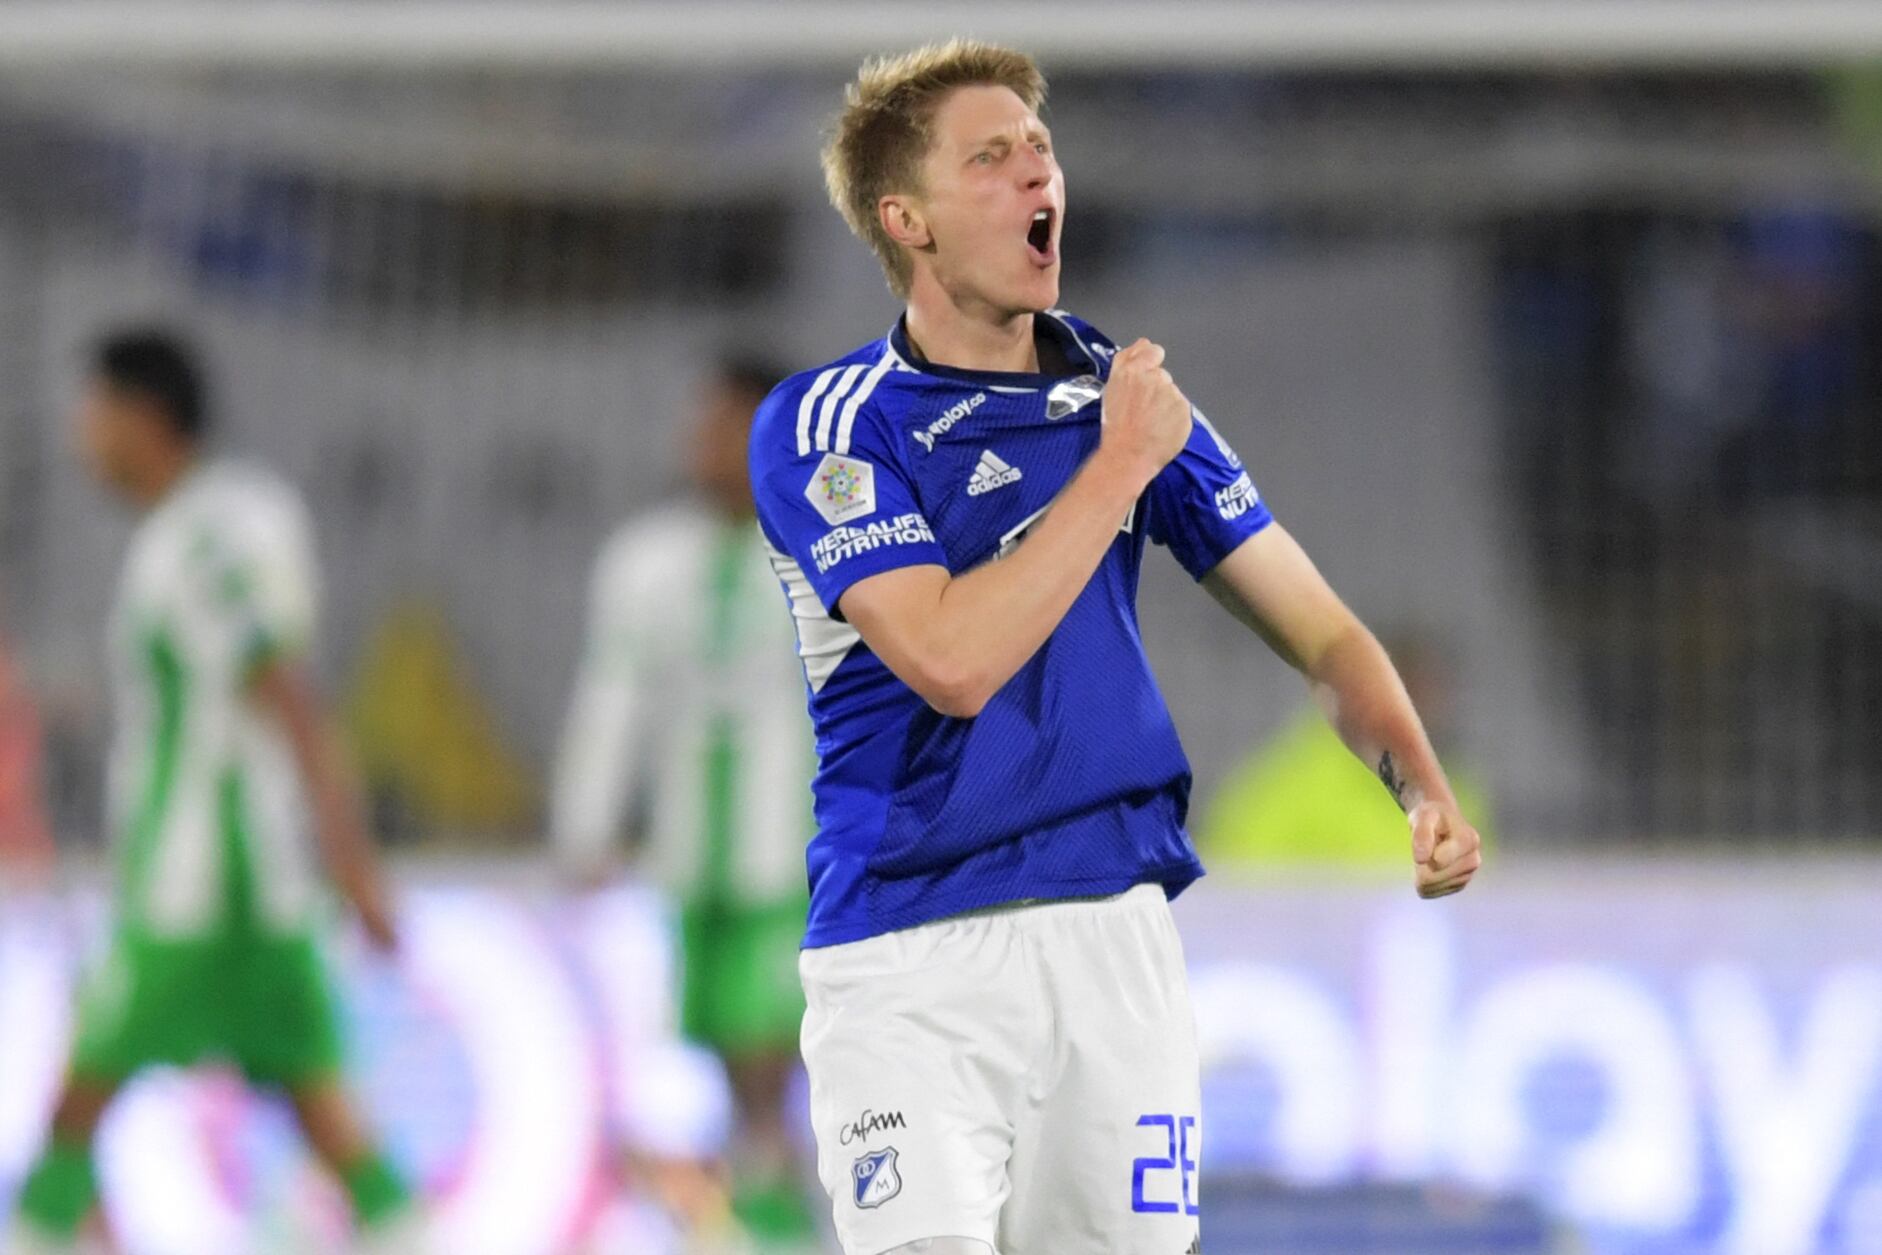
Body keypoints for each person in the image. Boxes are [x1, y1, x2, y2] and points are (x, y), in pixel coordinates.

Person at [746, 41, 1483, 1255]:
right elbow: (947, 658)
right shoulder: (832, 425)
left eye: (1041, 148)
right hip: (910, 952)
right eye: (991, 157)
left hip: (1114, 941)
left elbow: (1323, 629)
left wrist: (1418, 783)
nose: (1037, 170)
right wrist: (1119, 468)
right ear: (907, 219)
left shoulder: (1125, 405)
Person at [6, 329, 419, 1255]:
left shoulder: (206, 534)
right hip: (241, 888)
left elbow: (288, 696)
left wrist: (354, 863)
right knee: (324, 1117)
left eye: (92, 410)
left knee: (76, 1106)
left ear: (140, 416)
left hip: (203, 891)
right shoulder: (198, 526)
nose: (81, 435)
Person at [552, 357, 818, 1247]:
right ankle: (757, 1221)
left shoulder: (829, 551)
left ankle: (777, 1231)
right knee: (718, 1066)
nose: (705, 446)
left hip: (789, 860)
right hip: (688, 860)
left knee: (763, 1060)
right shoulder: (644, 562)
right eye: (702, 427)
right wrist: (588, 823)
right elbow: (612, 700)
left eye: (727, 427)